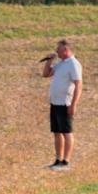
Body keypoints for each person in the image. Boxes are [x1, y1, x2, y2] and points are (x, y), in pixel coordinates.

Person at [39, 38, 83, 170]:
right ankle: (58, 160)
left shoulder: (73, 64)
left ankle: (66, 162)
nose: (56, 51)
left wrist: (74, 104)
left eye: (58, 49)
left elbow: (78, 85)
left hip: (65, 103)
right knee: (57, 132)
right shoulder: (61, 63)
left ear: (65, 50)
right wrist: (49, 61)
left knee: (66, 132)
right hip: (55, 103)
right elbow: (46, 74)